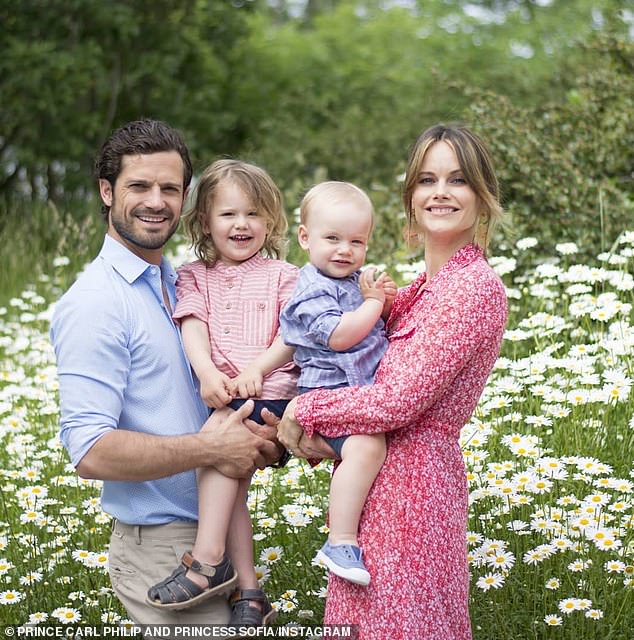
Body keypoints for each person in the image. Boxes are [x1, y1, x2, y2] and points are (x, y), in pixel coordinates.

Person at [277, 124, 508, 640]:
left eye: (458, 180)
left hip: (415, 496)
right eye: (427, 179)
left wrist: (305, 410)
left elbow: (397, 402)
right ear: (410, 197)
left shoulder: (473, 289)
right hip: (379, 488)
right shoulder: (421, 289)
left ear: (482, 195)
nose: (440, 192)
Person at [50, 120, 283, 626]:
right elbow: (89, 451)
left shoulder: (186, 282)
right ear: (107, 192)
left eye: (170, 188)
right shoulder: (96, 304)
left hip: (221, 529)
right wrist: (213, 448)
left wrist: (267, 439)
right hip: (162, 546)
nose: (156, 201)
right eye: (139, 186)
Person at [145, 159, 299, 627]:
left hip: (269, 393)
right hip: (225, 393)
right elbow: (193, 325)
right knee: (230, 490)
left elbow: (292, 334)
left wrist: (257, 368)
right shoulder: (195, 276)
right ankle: (250, 592)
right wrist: (207, 373)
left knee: (216, 451)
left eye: (253, 214)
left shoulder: (284, 276)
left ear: (270, 220)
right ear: (205, 222)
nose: (241, 224)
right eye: (228, 214)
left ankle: (208, 561)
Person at [279, 181, 396, 586]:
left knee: (369, 448)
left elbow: (376, 322)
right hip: (327, 394)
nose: (345, 250)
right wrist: (374, 304)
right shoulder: (311, 289)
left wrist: (386, 299)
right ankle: (341, 541)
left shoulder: (355, 280)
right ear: (305, 238)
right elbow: (341, 336)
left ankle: (347, 537)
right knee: (366, 447)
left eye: (356, 241)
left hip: (356, 391)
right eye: (333, 239)